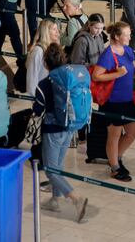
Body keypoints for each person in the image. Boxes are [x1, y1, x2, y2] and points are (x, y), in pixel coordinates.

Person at [34, 43, 89, 222]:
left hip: (52, 131)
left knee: (50, 171)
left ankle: (76, 199)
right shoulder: (68, 78)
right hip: (69, 128)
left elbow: (37, 109)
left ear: (45, 63)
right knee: (57, 167)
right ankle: (55, 200)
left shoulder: (44, 84)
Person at [92, 22, 135, 182]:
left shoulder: (128, 51)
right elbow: (96, 76)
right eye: (127, 34)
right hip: (112, 101)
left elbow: (132, 75)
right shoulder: (108, 54)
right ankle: (115, 167)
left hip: (127, 98)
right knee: (114, 134)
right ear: (116, 36)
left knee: (133, 131)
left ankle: (116, 158)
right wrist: (117, 74)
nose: (130, 37)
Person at [25, 19, 61, 95]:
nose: (57, 32)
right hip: (42, 95)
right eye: (54, 29)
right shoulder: (38, 51)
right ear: (46, 32)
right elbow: (32, 77)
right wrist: (35, 98)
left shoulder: (54, 49)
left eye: (57, 29)